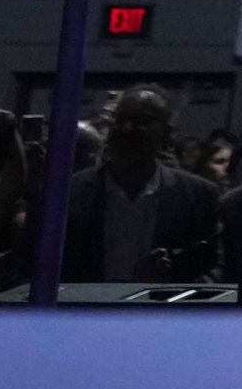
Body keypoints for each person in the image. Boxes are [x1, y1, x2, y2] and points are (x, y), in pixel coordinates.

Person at [61, 85, 222, 284]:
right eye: (120, 120)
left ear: (166, 134)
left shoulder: (198, 196)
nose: (127, 129)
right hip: (83, 313)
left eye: (141, 121)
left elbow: (214, 270)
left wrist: (171, 284)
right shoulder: (69, 193)